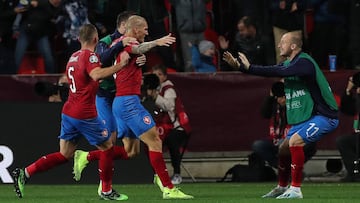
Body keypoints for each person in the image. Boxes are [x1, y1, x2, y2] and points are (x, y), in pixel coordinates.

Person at [73, 15, 193, 199]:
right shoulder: (128, 41)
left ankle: (86, 157)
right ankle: (168, 188)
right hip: (129, 103)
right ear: (135, 29)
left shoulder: (121, 44)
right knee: (155, 142)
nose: (147, 31)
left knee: (132, 151)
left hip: (120, 102)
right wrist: (157, 42)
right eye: (144, 29)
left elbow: (134, 53)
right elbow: (138, 48)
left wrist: (141, 59)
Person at [11, 24, 130, 200]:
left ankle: (26, 173)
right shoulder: (90, 56)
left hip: (69, 112)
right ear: (96, 40)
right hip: (85, 113)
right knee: (108, 147)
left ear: (78, 39)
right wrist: (121, 65)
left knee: (65, 154)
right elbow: (96, 75)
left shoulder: (73, 57)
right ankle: (106, 190)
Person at [223, 31, 339, 199]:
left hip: (325, 116)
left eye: (283, 43)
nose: (279, 45)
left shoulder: (304, 62)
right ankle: (282, 187)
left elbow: (279, 72)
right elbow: (273, 69)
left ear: (293, 46)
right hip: (310, 117)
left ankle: (296, 189)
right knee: (284, 149)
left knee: (294, 141)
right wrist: (243, 68)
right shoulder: (289, 64)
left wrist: (247, 68)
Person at [252, 81, 317, 168]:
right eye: (279, 96)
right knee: (258, 145)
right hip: (276, 141)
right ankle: (281, 167)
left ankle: (291, 168)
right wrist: (271, 96)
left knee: (307, 143)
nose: (281, 99)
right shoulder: (274, 105)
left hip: (292, 141)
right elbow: (264, 113)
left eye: (284, 96)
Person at [147, 64, 191, 184]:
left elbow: (169, 106)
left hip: (176, 126)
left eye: (159, 75)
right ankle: (156, 173)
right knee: (149, 142)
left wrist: (155, 97)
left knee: (172, 141)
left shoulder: (168, 89)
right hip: (160, 127)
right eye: (154, 75)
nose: (157, 77)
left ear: (164, 76)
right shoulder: (152, 89)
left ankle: (177, 174)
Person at [14, 0, 62, 74]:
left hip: (41, 32)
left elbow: (52, 12)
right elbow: (21, 7)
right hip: (26, 30)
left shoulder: (46, 3)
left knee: (48, 59)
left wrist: (39, 3)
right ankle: (11, 79)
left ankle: (50, 80)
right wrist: (30, 4)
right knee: (17, 57)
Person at [336, 72, 360, 182]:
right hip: (357, 134)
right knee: (343, 141)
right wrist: (348, 91)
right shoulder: (357, 99)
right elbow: (347, 110)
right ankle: (353, 173)